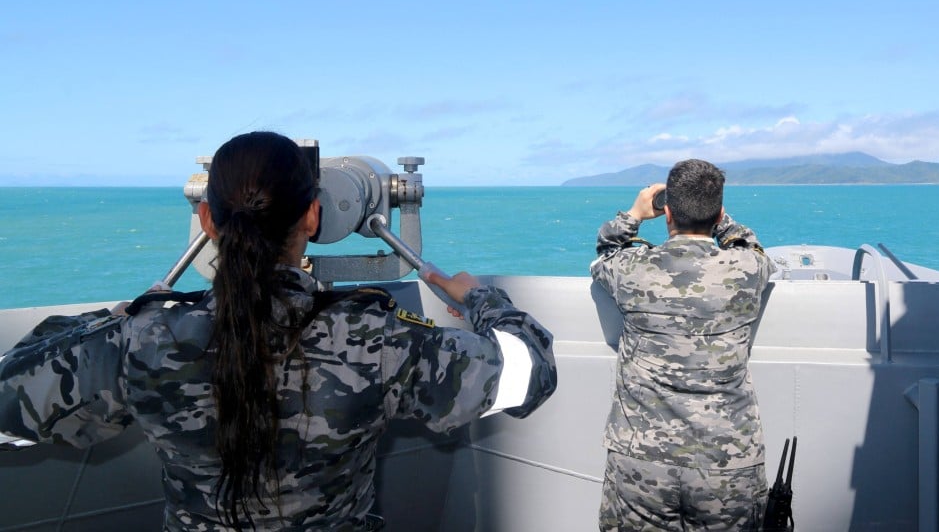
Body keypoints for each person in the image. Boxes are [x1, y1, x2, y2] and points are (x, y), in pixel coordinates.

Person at [0, 131, 556, 531]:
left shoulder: (141, 342)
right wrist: (480, 299)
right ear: (313, 217)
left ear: (207, 221)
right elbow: (529, 372)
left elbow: (11, 398)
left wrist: (127, 315)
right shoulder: (378, 342)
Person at [590, 158, 775, 531]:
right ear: (719, 212)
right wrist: (721, 219)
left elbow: (607, 248)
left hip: (641, 460)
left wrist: (635, 214)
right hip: (728, 462)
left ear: (667, 212)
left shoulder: (631, 269)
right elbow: (752, 246)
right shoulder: (747, 270)